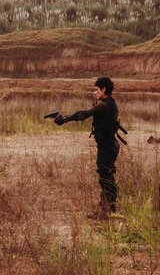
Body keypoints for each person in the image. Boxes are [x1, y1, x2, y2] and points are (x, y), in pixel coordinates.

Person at [54, 77, 121, 220]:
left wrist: (65, 119)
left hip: (107, 146)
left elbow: (84, 114)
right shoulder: (108, 104)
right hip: (108, 145)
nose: (94, 92)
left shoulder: (105, 105)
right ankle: (108, 208)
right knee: (106, 176)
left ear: (103, 89)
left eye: (97, 89)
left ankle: (107, 210)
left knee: (105, 177)